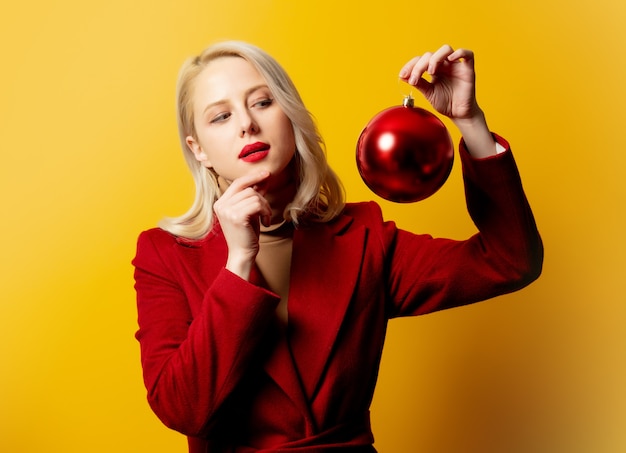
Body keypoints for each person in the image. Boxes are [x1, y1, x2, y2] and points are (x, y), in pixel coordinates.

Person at [132, 41, 543, 452]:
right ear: (198, 149)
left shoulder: (363, 238)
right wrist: (239, 261)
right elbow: (183, 410)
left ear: (291, 116)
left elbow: (510, 260)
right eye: (221, 116)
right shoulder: (164, 255)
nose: (246, 124)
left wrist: (470, 122)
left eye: (262, 102)